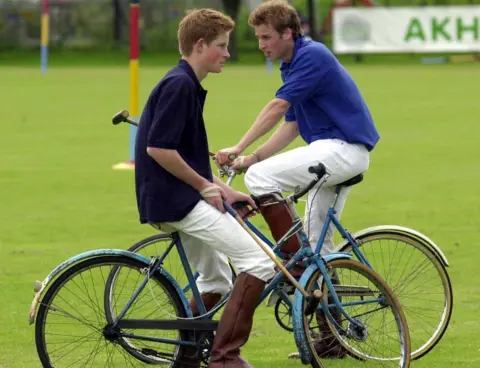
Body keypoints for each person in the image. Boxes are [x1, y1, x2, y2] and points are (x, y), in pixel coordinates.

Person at [216, 0, 380, 360]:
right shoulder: (292, 65)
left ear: (289, 33)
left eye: (266, 38)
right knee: (319, 246)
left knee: (263, 179)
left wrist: (241, 147)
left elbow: (276, 109)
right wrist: (250, 159)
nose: (261, 45)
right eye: (258, 38)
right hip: (332, 152)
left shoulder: (313, 57)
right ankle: (334, 338)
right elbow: (291, 123)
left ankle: (297, 266)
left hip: (343, 149)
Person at [134, 8, 276, 368]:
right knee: (259, 262)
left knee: (216, 278)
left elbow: (187, 155)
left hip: (175, 197)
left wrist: (224, 190)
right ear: (199, 45)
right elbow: (158, 149)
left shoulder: (187, 83)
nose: (227, 54)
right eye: (221, 45)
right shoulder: (180, 85)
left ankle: (186, 357)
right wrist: (204, 187)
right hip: (176, 200)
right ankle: (225, 358)